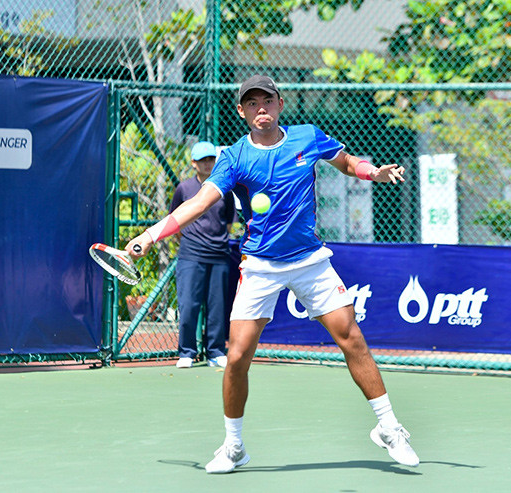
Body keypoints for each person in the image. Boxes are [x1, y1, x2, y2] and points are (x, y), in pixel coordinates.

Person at [126, 74, 419, 473]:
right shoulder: (233, 158)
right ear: (241, 111)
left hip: (310, 260)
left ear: (280, 104)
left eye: (267, 100)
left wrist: (373, 172)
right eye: (252, 102)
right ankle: (233, 447)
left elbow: (348, 163)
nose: (260, 107)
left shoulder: (307, 137)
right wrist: (152, 233)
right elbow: (199, 202)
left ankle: (389, 427)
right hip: (260, 266)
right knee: (237, 356)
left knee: (351, 338)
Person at [171, 141, 237, 369]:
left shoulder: (224, 190)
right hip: (190, 256)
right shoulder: (183, 189)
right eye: (202, 160)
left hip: (219, 256)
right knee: (188, 305)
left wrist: (215, 242)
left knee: (217, 307)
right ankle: (187, 353)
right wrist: (191, 243)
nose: (207, 164)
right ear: (193, 163)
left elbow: (228, 222)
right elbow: (175, 222)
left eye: (210, 159)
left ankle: (215, 352)